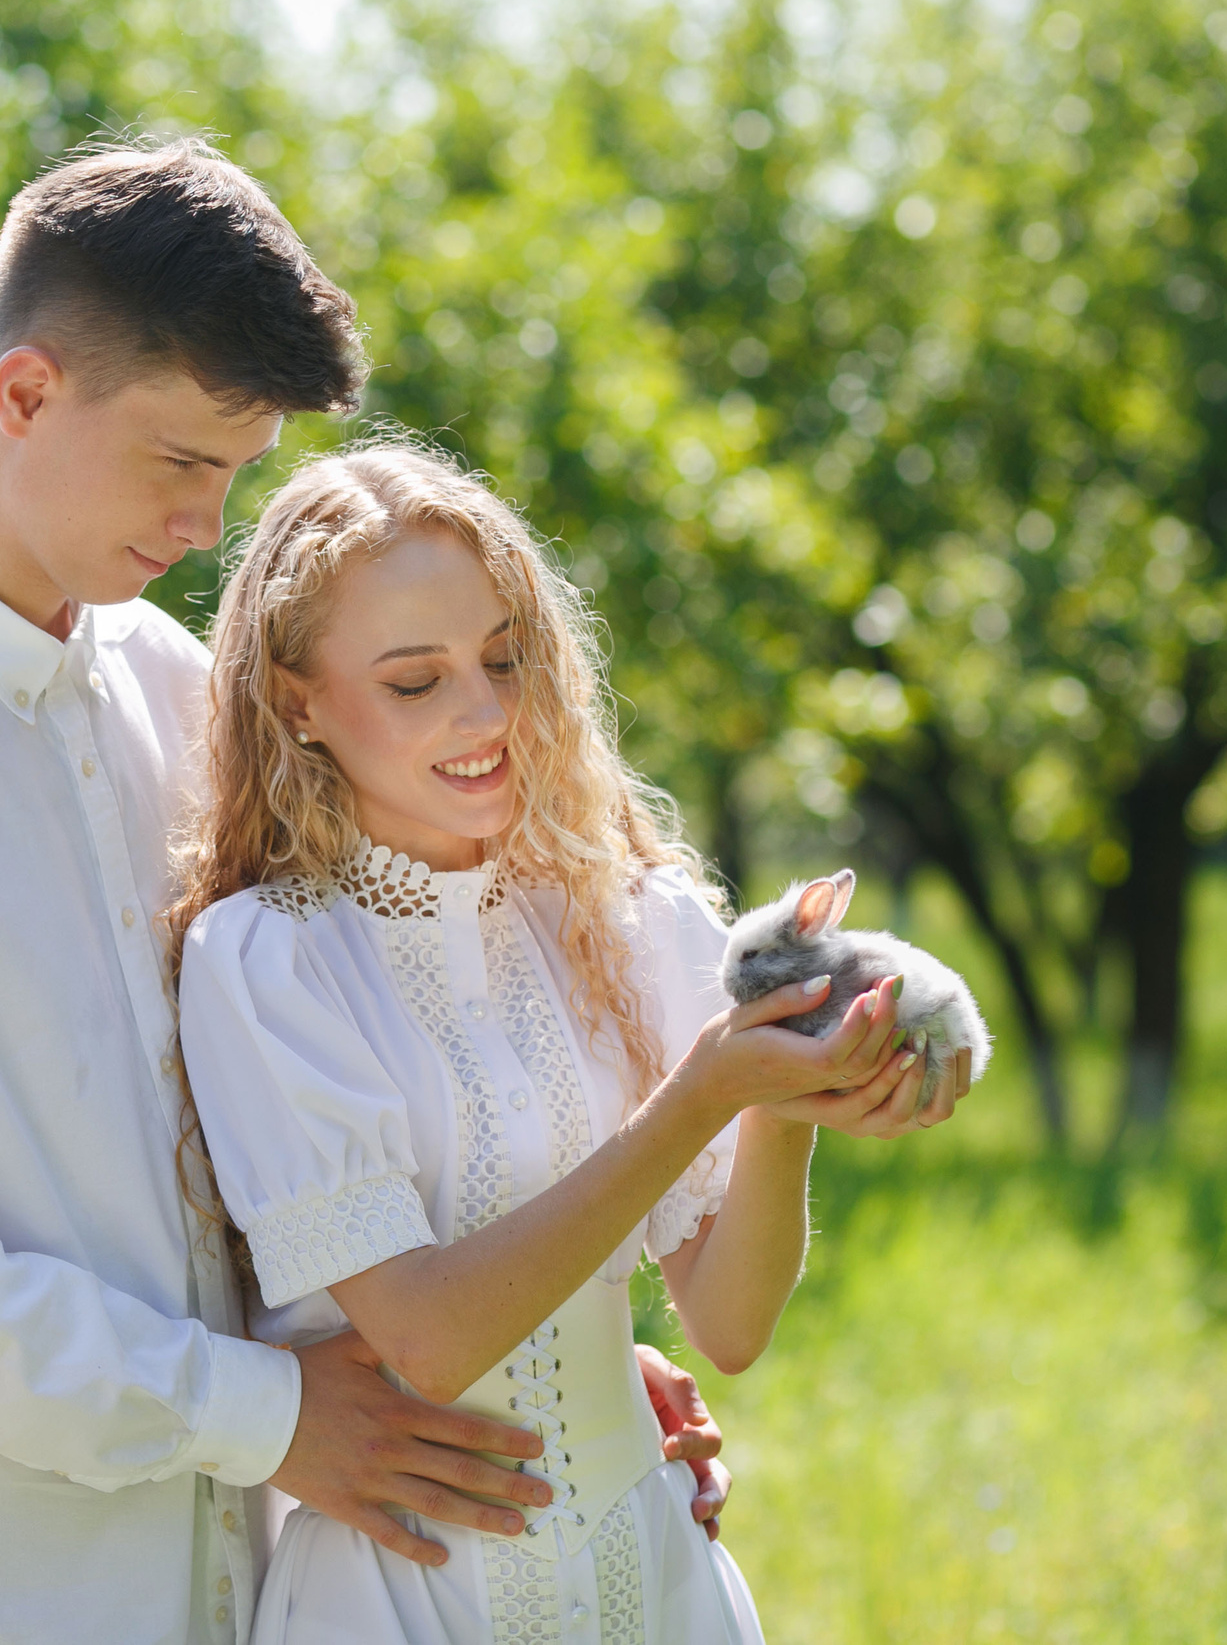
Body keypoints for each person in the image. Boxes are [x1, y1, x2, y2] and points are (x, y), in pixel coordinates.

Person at [0, 138, 733, 1645]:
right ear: (25, 394)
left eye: (236, 471)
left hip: (250, 1576)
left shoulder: (178, 694)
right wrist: (267, 1409)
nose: (210, 523)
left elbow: (293, 1122)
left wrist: (543, 1359)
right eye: (179, 461)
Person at [170, 445, 972, 1643]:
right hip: (402, 1596)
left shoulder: (639, 919)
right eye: (413, 681)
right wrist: (703, 1096)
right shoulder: (268, 961)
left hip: (648, 1576)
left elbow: (731, 1328)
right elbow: (427, 1343)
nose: (483, 712)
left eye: (503, 657)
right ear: (297, 701)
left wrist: (781, 1103)